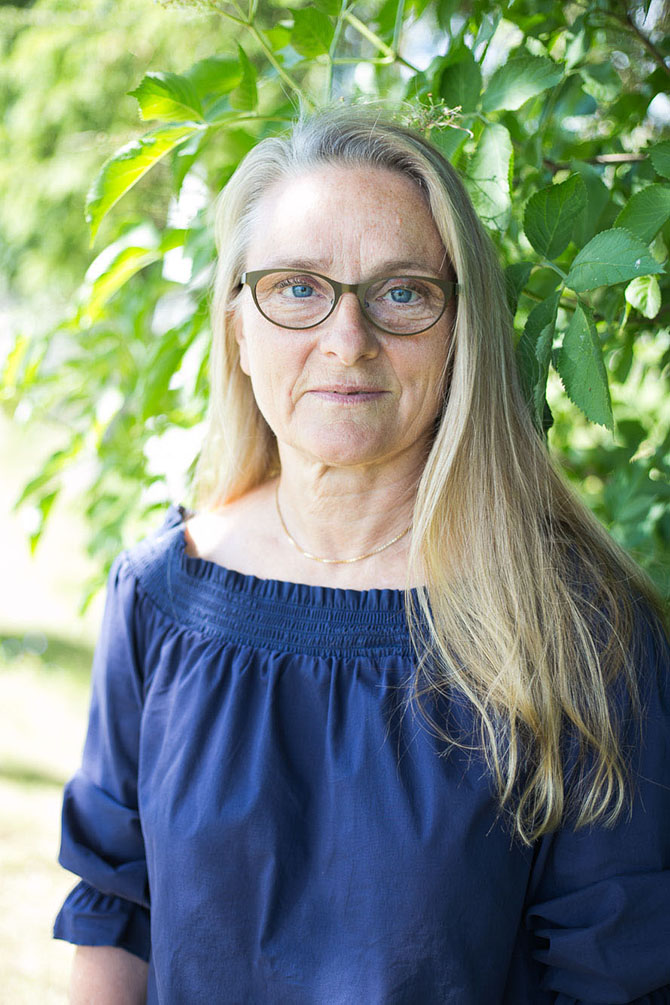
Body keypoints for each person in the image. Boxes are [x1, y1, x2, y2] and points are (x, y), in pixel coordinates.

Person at [54, 105, 670, 1004]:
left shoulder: (578, 629)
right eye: (298, 288)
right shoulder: (159, 598)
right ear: (237, 327)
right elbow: (116, 917)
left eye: (403, 291)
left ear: (463, 331)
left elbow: (613, 980)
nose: (349, 341)